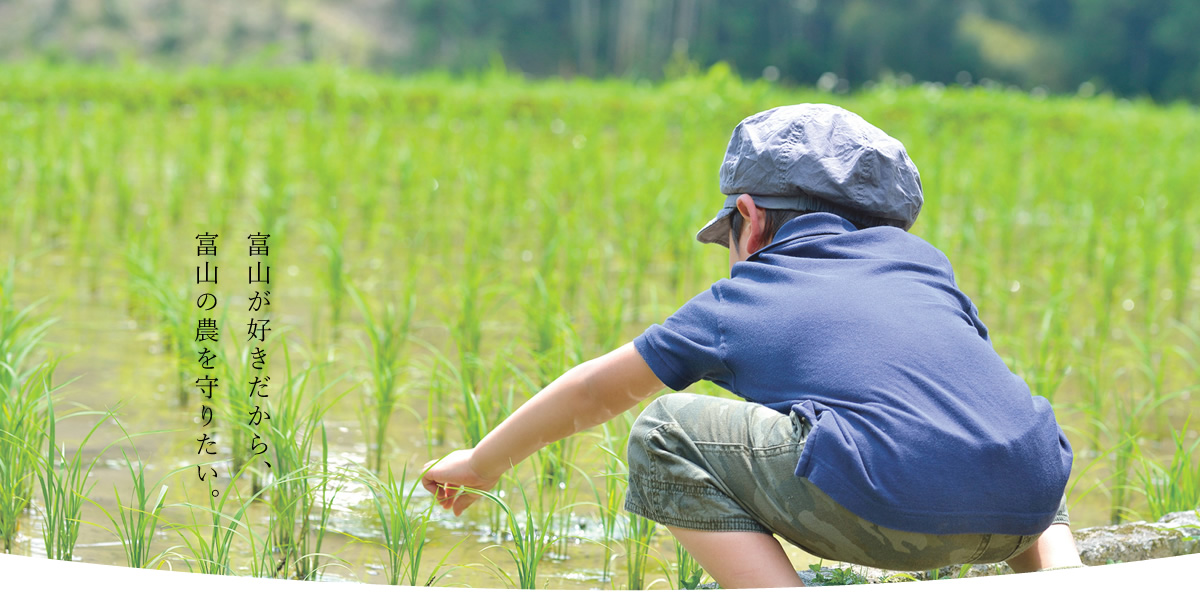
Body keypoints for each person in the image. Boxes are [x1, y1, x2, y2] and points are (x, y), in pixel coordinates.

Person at [421, 103, 1084, 588]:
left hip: (893, 507)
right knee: (1004, 426)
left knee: (664, 432)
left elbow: (597, 389)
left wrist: (482, 464)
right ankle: (1065, 584)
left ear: (749, 217)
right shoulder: (924, 267)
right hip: (1027, 506)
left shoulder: (748, 295)